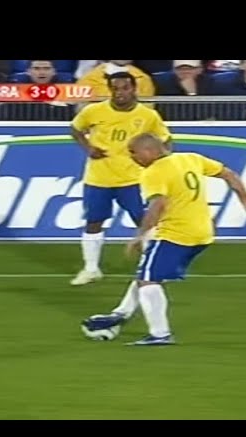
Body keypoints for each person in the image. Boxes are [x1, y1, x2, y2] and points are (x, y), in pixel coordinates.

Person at [83, 133, 246, 346]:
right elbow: (229, 174)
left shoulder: (154, 172)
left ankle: (160, 335)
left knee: (148, 280)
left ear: (149, 151)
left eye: (134, 153)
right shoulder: (191, 158)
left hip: (175, 234)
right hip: (203, 234)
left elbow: (158, 205)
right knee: (150, 273)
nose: (132, 158)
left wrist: (140, 234)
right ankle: (121, 313)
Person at [70, 72, 172, 286]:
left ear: (134, 89)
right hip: (99, 178)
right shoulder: (94, 111)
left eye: (124, 88)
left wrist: (160, 165)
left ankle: (153, 268)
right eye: (115, 88)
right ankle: (91, 269)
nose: (120, 93)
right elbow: (75, 128)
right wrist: (88, 148)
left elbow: (165, 140)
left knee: (145, 222)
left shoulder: (148, 116)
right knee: (94, 222)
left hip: (134, 179)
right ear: (110, 90)